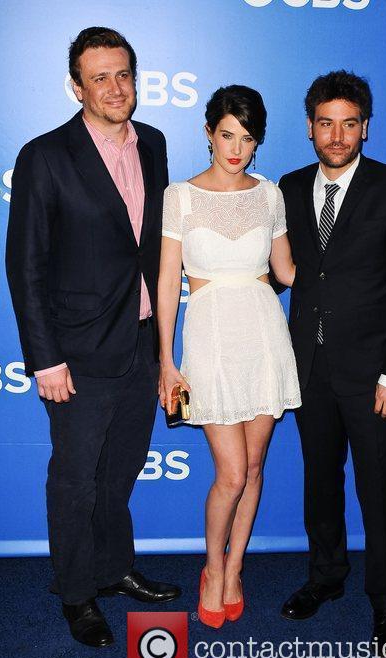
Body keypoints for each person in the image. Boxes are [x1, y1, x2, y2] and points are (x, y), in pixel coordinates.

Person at [5, 27, 181, 649]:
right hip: (76, 351)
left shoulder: (155, 144)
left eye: (123, 74)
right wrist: (44, 358)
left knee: (123, 468)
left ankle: (116, 567)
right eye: (99, 76)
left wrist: (164, 350)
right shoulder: (45, 156)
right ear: (76, 86)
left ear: (136, 78)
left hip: (139, 340)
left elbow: (156, 248)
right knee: (76, 478)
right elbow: (24, 266)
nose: (114, 87)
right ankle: (77, 593)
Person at [279, 70, 386, 657]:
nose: (337, 135)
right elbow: (285, 270)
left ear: (365, 127)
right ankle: (326, 576)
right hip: (308, 369)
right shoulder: (290, 188)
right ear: (311, 128)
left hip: (374, 377)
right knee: (320, 484)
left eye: (348, 123)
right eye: (325, 123)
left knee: (380, 490)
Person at [158, 85, 301, 628]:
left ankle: (235, 568)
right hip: (210, 336)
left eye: (247, 138)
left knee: (256, 466)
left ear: (258, 141)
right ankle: (211, 568)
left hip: (264, 333)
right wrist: (167, 361)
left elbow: (287, 272)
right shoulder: (181, 196)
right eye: (227, 135)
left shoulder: (270, 195)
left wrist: (353, 267)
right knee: (231, 473)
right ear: (208, 133)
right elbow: (169, 281)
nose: (236, 148)